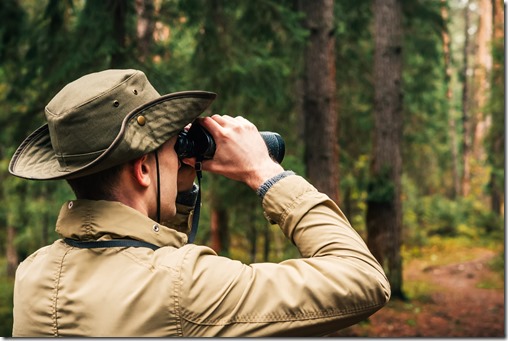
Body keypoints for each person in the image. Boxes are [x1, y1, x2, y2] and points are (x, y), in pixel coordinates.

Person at [9, 69, 390, 337]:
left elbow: (141, 256)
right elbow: (363, 280)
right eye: (174, 149)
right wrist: (264, 172)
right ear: (143, 169)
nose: (181, 157)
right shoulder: (185, 287)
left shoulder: (34, 274)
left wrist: (178, 189)